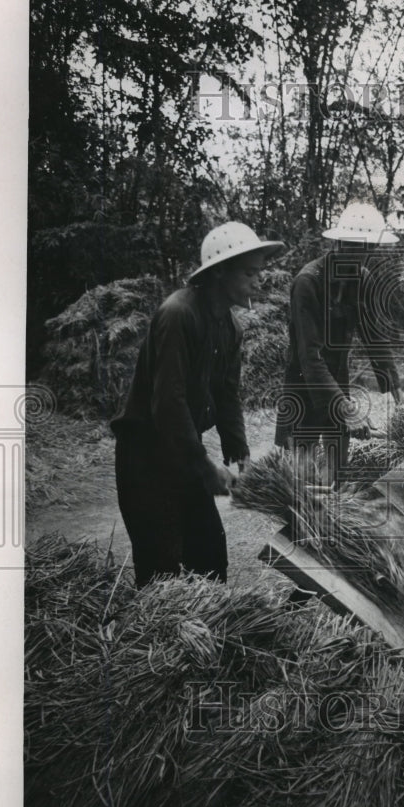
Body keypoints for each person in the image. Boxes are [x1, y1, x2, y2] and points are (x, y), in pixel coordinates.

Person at [111, 221, 284, 589]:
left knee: (209, 558)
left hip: (182, 450)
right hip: (146, 457)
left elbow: (227, 396)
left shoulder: (231, 327)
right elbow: (168, 404)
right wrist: (204, 467)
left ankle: (206, 621)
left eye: (259, 272)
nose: (259, 282)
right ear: (220, 272)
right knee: (160, 572)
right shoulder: (179, 314)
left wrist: (240, 455)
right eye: (249, 273)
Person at [274, 202, 402, 484]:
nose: (364, 257)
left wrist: (397, 393)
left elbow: (375, 337)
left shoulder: (362, 279)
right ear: (340, 244)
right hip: (304, 386)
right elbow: (310, 357)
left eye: (369, 249)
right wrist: (347, 409)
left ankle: (333, 502)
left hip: (338, 382)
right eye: (358, 249)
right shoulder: (308, 282)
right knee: (302, 480)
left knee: (336, 474)